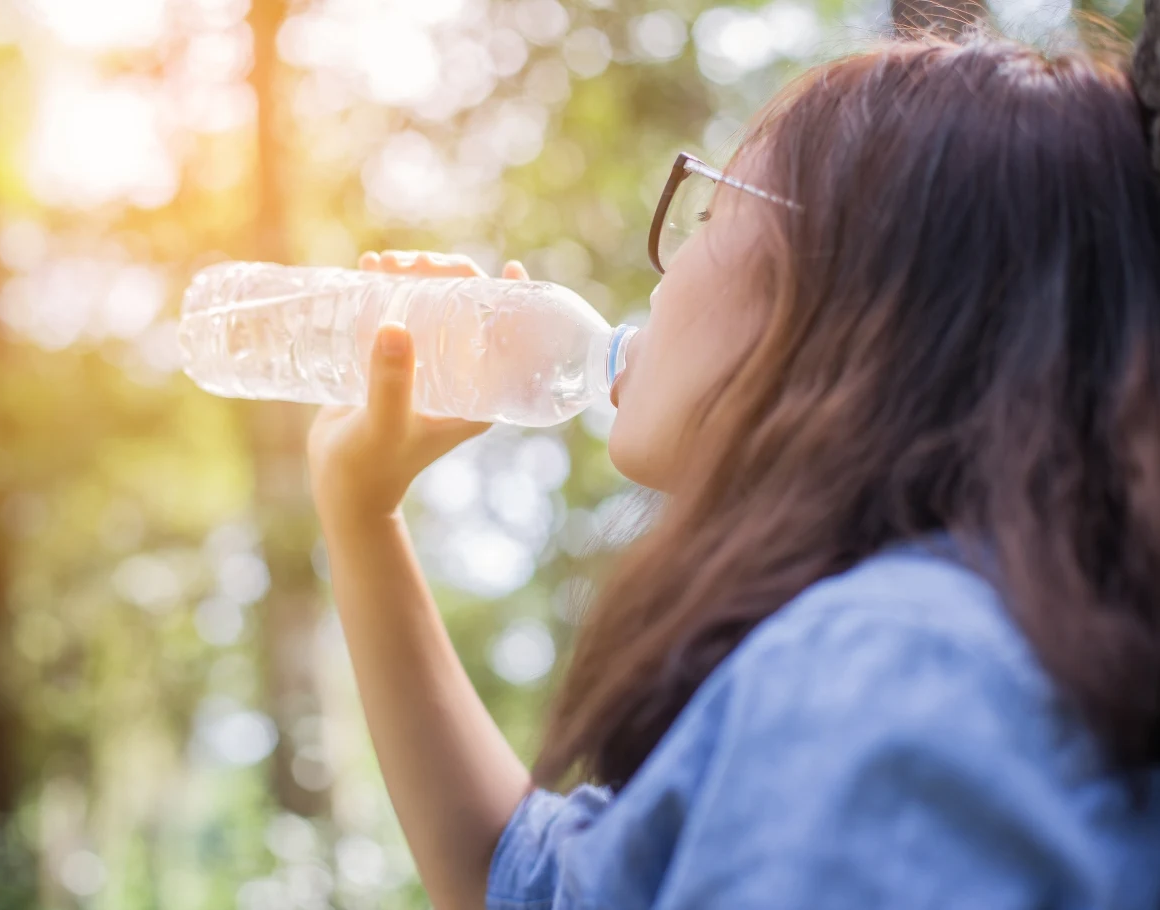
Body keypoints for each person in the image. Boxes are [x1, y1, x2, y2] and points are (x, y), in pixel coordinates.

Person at [306, 36, 1160, 910]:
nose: (663, 279)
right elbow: (518, 880)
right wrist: (363, 512)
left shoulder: (886, 675)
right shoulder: (912, 655)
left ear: (857, 285)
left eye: (709, 215)